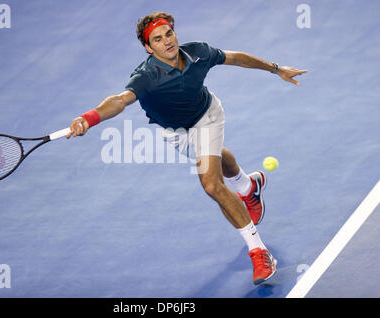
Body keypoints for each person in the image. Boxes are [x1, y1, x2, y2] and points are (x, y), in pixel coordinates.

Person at [66, 12, 307, 285]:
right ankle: (248, 185)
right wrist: (89, 118)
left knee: (212, 184)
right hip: (176, 133)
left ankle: (259, 251)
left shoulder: (198, 53)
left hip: (207, 115)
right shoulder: (146, 76)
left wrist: (277, 69)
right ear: (148, 48)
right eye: (157, 39)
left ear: (175, 33)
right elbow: (120, 101)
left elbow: (236, 57)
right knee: (214, 157)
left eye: (168, 34)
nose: (166, 42)